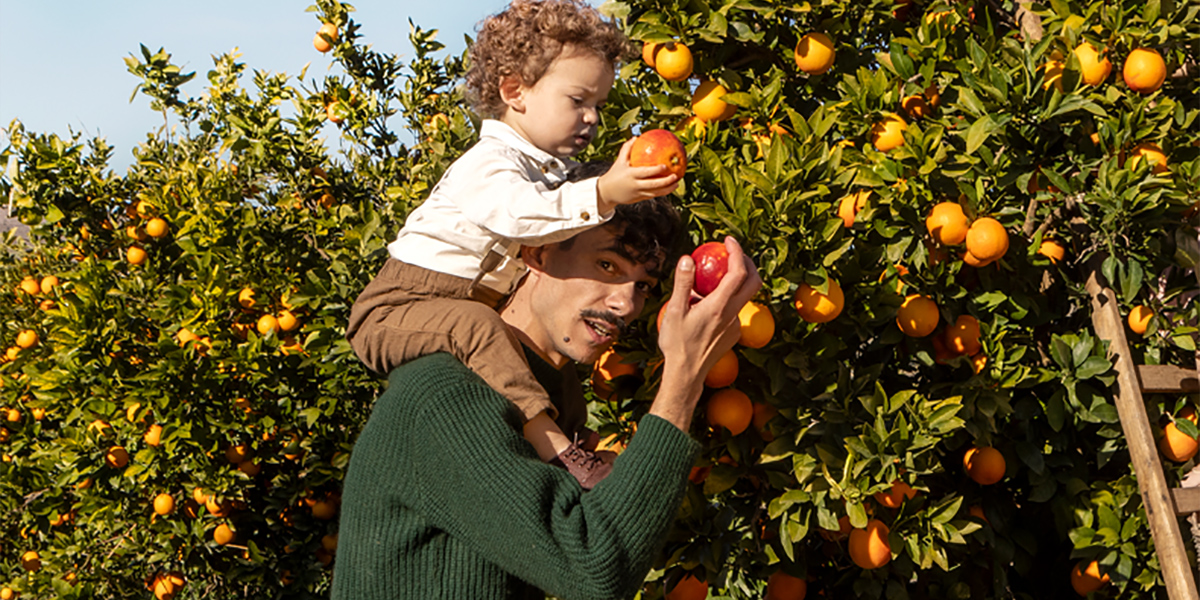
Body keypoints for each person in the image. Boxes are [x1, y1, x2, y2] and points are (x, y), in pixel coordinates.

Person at [331, 195, 763, 599]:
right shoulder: (447, 393)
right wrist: (683, 378)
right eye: (608, 265)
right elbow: (596, 567)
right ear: (537, 252)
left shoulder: (560, 400)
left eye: (643, 286)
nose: (626, 304)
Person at [346, 0, 679, 488]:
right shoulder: (491, 164)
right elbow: (520, 216)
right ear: (514, 90)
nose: (591, 118)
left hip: (454, 307)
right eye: (577, 100)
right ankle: (557, 452)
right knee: (480, 328)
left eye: (599, 106)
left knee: (550, 365)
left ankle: (571, 436)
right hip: (398, 307)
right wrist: (605, 191)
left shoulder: (547, 174)